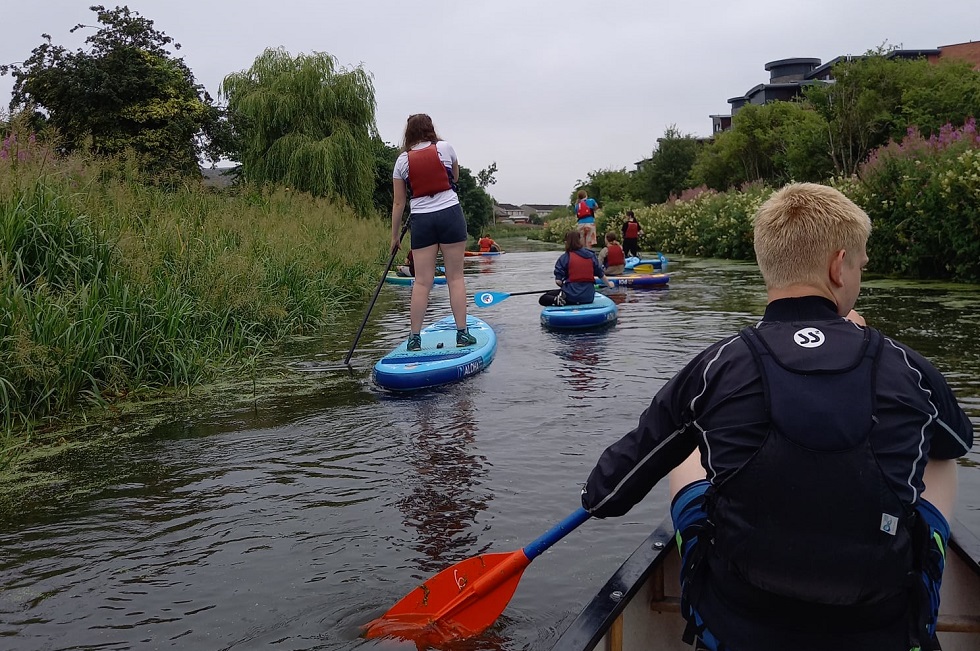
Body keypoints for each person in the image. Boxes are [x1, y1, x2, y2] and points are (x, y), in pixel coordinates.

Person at [580, 183, 974, 651]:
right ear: (837, 266)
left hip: (740, 625)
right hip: (881, 629)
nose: (859, 277)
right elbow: (959, 442)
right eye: (860, 267)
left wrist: (597, 491)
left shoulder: (716, 365)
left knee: (688, 450)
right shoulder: (905, 365)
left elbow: (605, 497)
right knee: (940, 455)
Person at [390, 114, 476, 350]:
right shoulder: (446, 148)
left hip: (422, 220)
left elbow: (398, 203)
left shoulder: (402, 161)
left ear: (409, 133)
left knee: (422, 282)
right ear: (430, 129)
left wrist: (395, 236)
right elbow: (454, 178)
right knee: (455, 278)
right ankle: (462, 334)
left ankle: (414, 338)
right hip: (450, 214)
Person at [539, 230, 614, 306]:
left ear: (566, 242)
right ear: (579, 240)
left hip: (571, 297)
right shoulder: (591, 255)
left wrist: (564, 286)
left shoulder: (564, 258)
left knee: (543, 298)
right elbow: (600, 274)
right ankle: (560, 299)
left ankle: (557, 300)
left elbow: (558, 281)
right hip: (588, 297)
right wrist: (609, 284)